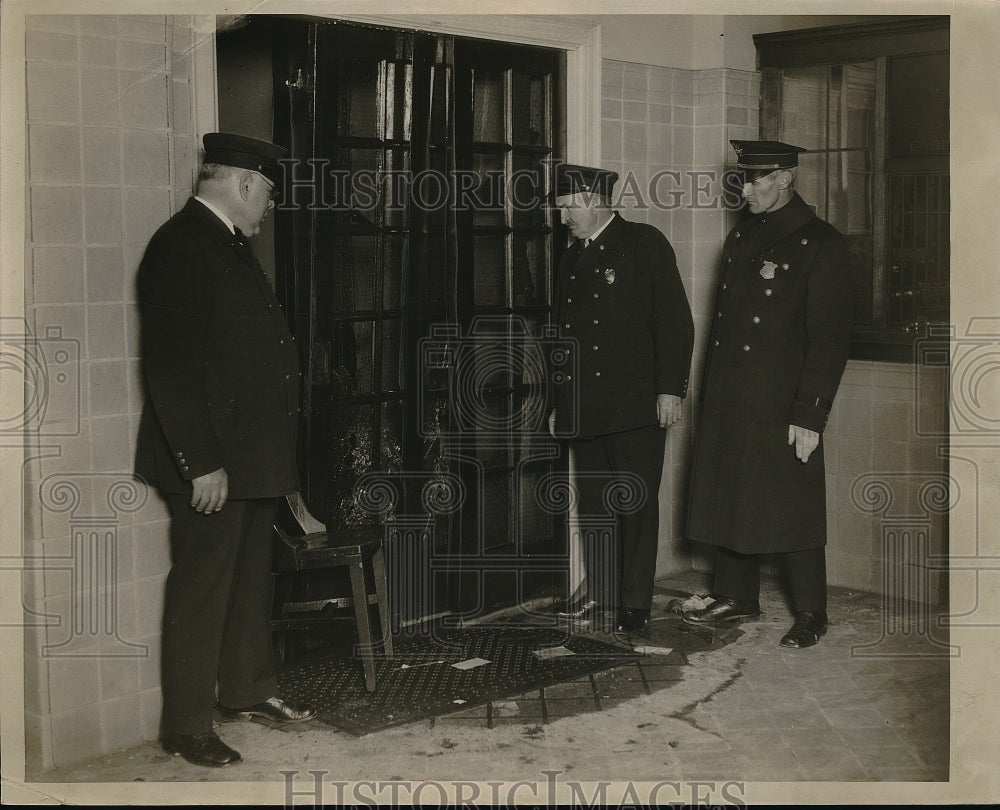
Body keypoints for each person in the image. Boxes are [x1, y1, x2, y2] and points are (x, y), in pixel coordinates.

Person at [135, 133, 315, 768]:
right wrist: (200, 462)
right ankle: (186, 728)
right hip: (213, 462)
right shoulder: (181, 245)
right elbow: (171, 367)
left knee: (247, 583)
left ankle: (246, 691)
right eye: (268, 192)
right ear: (242, 183)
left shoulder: (227, 242)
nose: (270, 205)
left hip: (253, 457)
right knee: (203, 588)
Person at [684, 140, 853, 649]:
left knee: (794, 502)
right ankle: (737, 595)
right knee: (734, 492)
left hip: (782, 402)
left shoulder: (821, 243)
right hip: (733, 396)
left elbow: (829, 341)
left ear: (785, 178)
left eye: (755, 180)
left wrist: (810, 413)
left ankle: (812, 611)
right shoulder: (742, 236)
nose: (745, 190)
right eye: (742, 178)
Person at [548, 162, 694, 634]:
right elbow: (561, 338)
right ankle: (602, 594)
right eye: (560, 207)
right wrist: (559, 401)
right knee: (594, 506)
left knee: (635, 504)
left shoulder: (643, 243)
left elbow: (674, 323)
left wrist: (670, 389)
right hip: (585, 404)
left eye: (569, 207)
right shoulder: (570, 259)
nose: (563, 217)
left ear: (595, 202)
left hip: (635, 405)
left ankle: (634, 602)